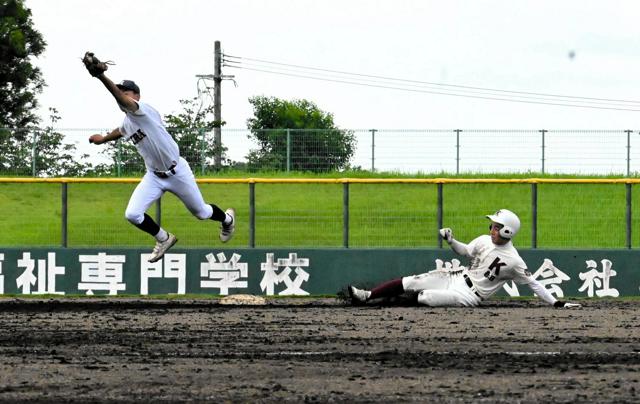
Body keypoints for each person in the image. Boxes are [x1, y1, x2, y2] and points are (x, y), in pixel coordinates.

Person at [86, 70, 235, 263]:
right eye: (121, 91)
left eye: (126, 92)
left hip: (178, 172)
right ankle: (164, 238)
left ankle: (227, 220)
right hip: (154, 176)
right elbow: (121, 130)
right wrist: (104, 139)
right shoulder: (128, 123)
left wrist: (101, 77)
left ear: (137, 96)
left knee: (201, 212)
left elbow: (122, 101)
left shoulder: (143, 110)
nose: (123, 94)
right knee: (132, 214)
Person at [349, 209, 581, 308]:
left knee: (425, 297)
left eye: (497, 226)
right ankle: (367, 296)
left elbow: (534, 284)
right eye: (492, 224)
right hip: (458, 277)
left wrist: (557, 303)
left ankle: (385, 303)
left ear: (507, 232)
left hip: (469, 295)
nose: (492, 228)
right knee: (412, 281)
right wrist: (451, 240)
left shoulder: (514, 261)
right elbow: (464, 252)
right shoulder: (483, 239)